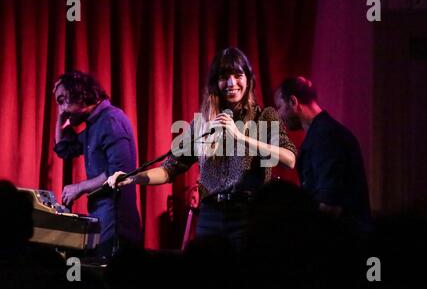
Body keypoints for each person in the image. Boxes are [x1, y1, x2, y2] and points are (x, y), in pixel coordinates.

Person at [107, 48, 296, 253]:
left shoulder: (264, 117)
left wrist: (241, 137)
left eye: (238, 75)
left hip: (247, 215)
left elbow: (289, 158)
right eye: (224, 77)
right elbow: (169, 168)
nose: (232, 83)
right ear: (215, 82)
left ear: (248, 79)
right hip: (210, 216)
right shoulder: (202, 124)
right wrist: (132, 178)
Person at [53, 70, 141, 258]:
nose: (61, 109)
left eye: (62, 101)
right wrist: (61, 116)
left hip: (116, 226)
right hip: (104, 221)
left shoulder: (110, 120)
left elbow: (119, 172)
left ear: (80, 94)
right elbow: (64, 149)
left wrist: (80, 187)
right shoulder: (94, 124)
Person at [274, 76, 372, 233]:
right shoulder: (324, 133)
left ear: (293, 102)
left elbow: (330, 204)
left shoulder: (325, 137)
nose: (278, 115)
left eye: (279, 107)